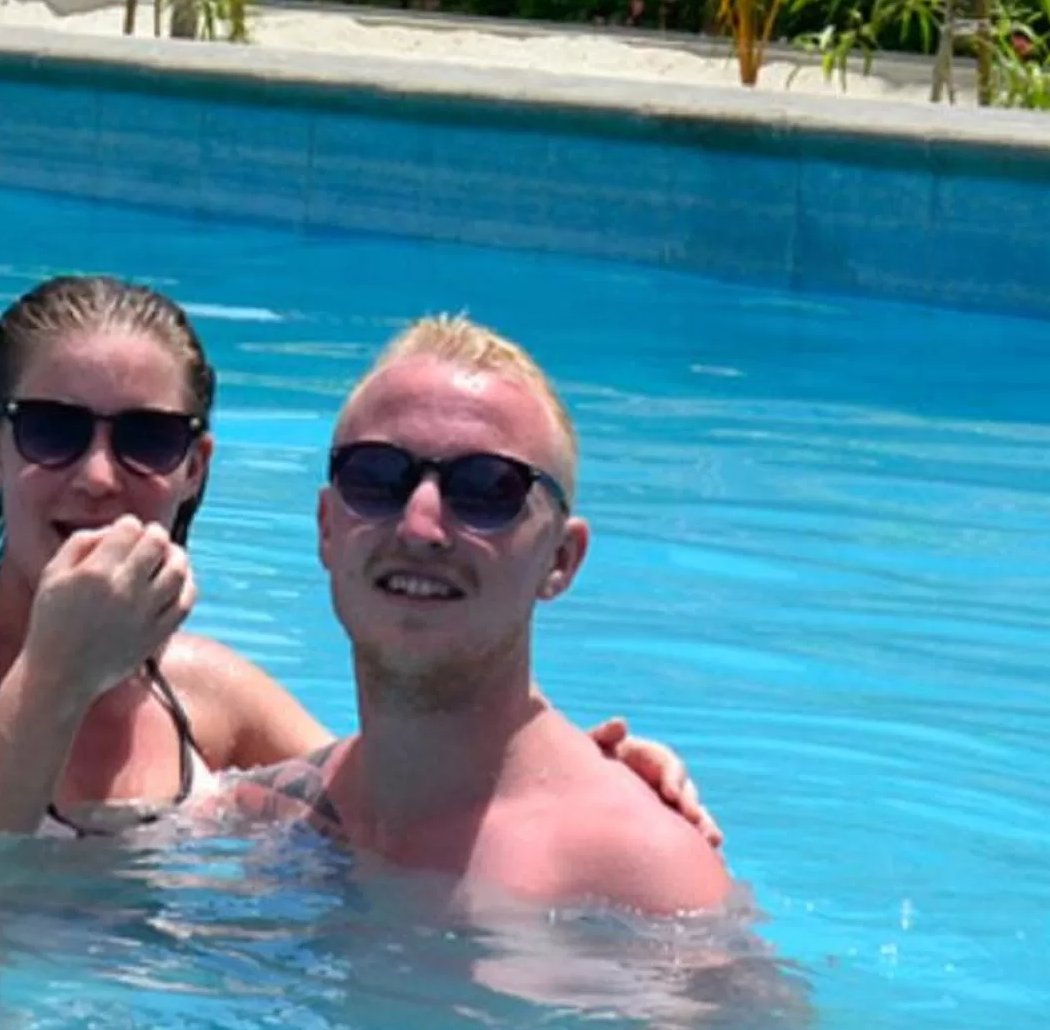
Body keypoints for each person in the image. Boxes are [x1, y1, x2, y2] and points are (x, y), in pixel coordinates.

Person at [0, 278, 705, 851]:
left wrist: (582, 775)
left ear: (194, 469)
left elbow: (397, 799)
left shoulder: (211, 701)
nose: (98, 477)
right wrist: (55, 677)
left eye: (147, 440)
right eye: (56, 431)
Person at [246, 314, 734, 916]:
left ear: (561, 560)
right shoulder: (269, 817)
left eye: (486, 489)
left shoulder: (644, 879)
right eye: (376, 476)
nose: (419, 527)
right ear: (326, 528)